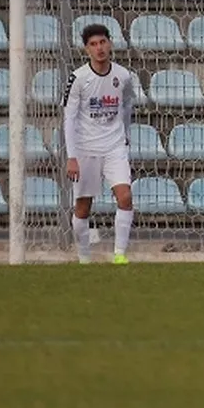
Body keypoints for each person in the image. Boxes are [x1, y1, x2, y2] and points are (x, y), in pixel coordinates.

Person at [62, 23, 137, 264]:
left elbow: (127, 104)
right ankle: (84, 258)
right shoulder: (78, 78)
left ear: (110, 43)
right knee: (83, 207)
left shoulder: (123, 75)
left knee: (125, 197)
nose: (99, 48)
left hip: (115, 147)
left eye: (103, 42)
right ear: (87, 50)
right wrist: (71, 156)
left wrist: (125, 133)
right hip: (86, 150)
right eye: (93, 44)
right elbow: (69, 117)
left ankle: (119, 255)